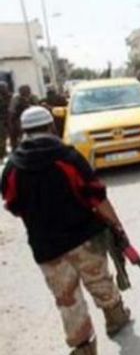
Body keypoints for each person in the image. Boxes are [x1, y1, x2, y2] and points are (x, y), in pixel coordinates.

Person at [1, 106, 132, 355]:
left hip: (46, 246)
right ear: (51, 126)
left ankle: (84, 348)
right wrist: (117, 226)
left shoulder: (12, 168)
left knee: (67, 299)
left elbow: (13, 204)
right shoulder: (68, 157)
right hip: (85, 238)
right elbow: (96, 196)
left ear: (23, 131)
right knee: (100, 280)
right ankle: (116, 318)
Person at [8, 84, 38, 151]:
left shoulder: (33, 97)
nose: (25, 93)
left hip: (32, 117)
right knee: (17, 134)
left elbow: (38, 108)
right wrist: (10, 124)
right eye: (23, 92)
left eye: (27, 91)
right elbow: (11, 111)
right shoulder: (16, 98)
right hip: (19, 118)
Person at [0, 82, 11, 160]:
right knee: (2, 137)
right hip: (2, 120)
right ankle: (2, 153)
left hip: (11, 119)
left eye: (4, 88)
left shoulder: (11, 97)